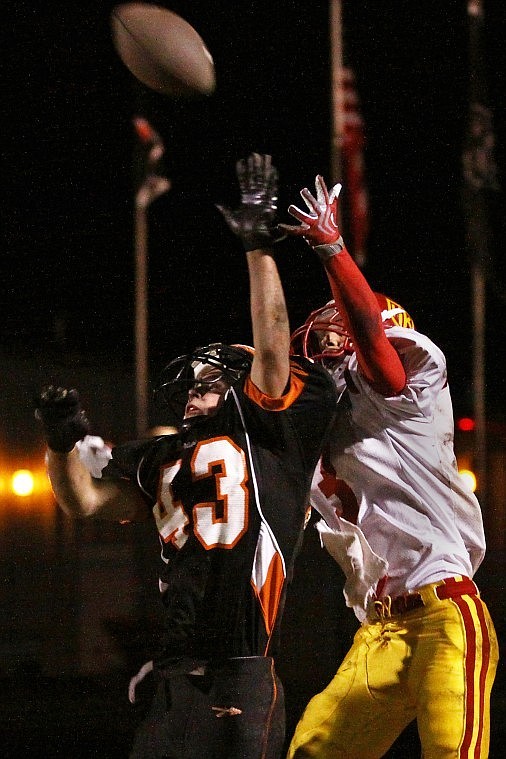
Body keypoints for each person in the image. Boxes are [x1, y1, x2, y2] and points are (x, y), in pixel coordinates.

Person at [34, 154, 337, 759]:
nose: (192, 386)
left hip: (243, 668)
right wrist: (61, 442)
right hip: (177, 673)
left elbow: (273, 347)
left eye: (206, 378)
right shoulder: (164, 453)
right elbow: (84, 500)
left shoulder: (268, 439)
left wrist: (258, 248)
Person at [279, 175, 499, 759]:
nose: (323, 341)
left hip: (444, 612)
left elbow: (373, 344)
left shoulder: (408, 382)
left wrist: (332, 249)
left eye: (337, 330)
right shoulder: (320, 421)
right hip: (379, 630)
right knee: (312, 751)